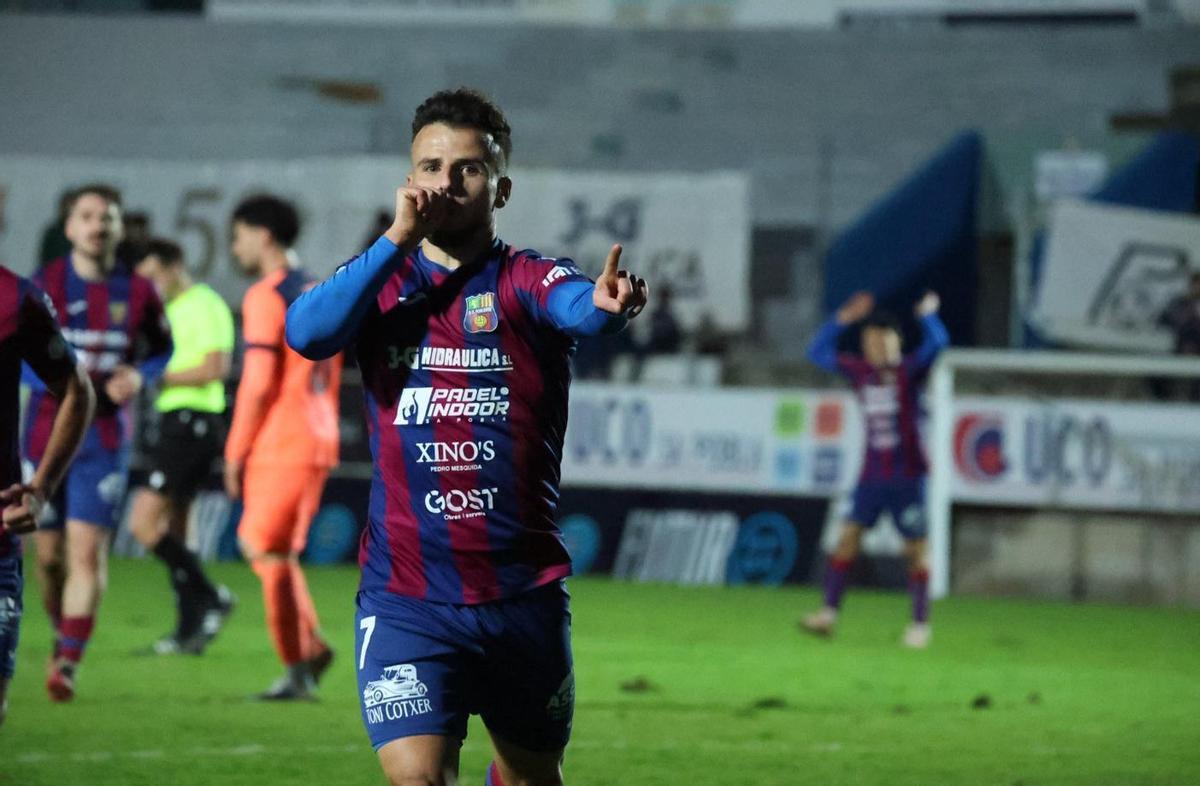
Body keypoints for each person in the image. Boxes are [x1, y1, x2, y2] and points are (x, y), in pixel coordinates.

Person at [286, 87, 649, 786]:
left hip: (520, 596)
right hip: (407, 598)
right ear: (409, 179)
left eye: (468, 170)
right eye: (430, 167)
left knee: (529, 778)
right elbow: (306, 333)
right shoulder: (381, 286)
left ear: (501, 188)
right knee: (418, 778)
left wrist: (606, 307)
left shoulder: (525, 280)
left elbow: (580, 305)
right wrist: (396, 240)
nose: (446, 184)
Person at [23, 184, 173, 701]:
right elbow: (20, 352)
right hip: (45, 434)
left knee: (86, 554)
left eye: (106, 217)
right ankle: (62, 633)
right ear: (69, 228)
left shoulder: (138, 291)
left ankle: (67, 660)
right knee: (48, 560)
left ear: (117, 226)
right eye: (86, 216)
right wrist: (50, 378)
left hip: (105, 438)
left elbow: (163, 348)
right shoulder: (43, 286)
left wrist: (141, 373)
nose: (97, 225)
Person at [225, 194, 340, 700]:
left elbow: (256, 384)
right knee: (276, 553)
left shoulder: (265, 295)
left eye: (238, 235)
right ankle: (310, 647)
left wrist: (235, 451)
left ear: (263, 234)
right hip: (318, 434)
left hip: (283, 438)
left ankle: (297, 671)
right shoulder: (319, 289)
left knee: (264, 551)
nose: (235, 246)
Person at [800, 290, 948, 649]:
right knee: (847, 540)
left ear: (896, 343)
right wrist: (843, 319)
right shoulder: (860, 373)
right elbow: (815, 353)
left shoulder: (910, 372)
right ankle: (828, 615)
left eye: (883, 341)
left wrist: (927, 315)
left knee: (915, 549)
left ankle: (920, 625)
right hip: (871, 477)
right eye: (870, 342)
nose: (876, 348)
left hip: (908, 478)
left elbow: (940, 342)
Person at [128, 238, 236, 655]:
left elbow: (215, 367)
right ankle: (188, 629)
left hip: (193, 421)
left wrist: (154, 375)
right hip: (176, 421)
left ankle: (212, 596)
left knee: (142, 524)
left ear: (174, 266)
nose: (151, 286)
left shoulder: (204, 303)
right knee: (176, 529)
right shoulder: (165, 312)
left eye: (154, 276)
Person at [1, 266, 96, 726]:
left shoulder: (16, 299)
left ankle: (68, 653)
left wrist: (40, 489)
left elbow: (77, 390)